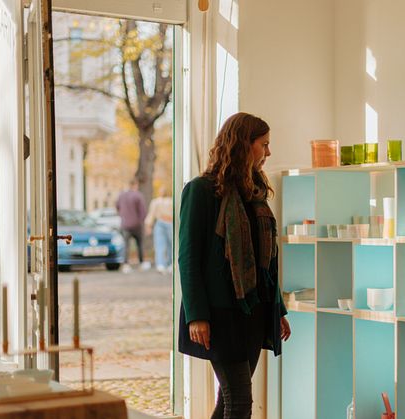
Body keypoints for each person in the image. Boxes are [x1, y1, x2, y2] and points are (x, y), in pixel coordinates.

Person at [178, 112, 291, 418]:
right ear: (244, 144)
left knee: (228, 399)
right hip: (219, 313)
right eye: (263, 145)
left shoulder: (255, 193)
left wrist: (277, 309)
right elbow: (188, 258)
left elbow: (267, 259)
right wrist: (196, 315)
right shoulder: (201, 190)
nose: (268, 152)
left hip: (253, 311)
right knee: (240, 400)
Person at [116, 179, 150, 273]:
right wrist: (142, 221)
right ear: (135, 185)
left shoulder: (121, 195)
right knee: (139, 244)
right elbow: (143, 212)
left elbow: (117, 207)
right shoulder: (138, 195)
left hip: (125, 224)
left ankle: (126, 264)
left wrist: (123, 216)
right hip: (137, 225)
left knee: (126, 245)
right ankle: (142, 262)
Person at [145, 186, 174, 274]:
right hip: (162, 223)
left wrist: (148, 225)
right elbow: (152, 214)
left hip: (167, 222)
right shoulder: (159, 201)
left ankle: (167, 264)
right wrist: (148, 225)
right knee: (162, 244)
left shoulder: (168, 201)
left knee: (167, 244)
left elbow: (151, 214)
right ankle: (163, 264)